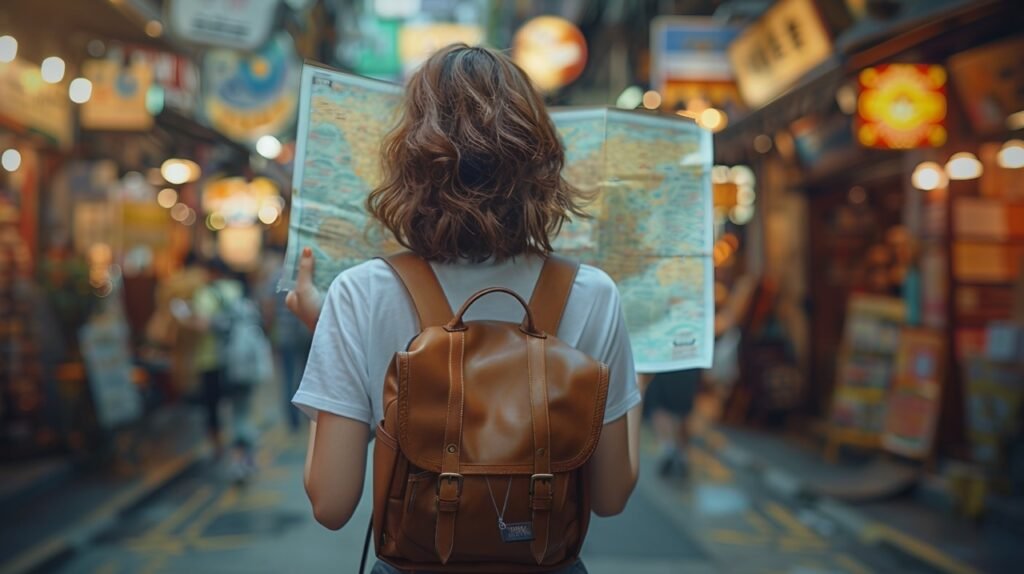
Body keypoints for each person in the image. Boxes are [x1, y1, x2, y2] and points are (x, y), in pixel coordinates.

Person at [285, 44, 643, 574]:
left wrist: (332, 342)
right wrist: (635, 382)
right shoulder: (592, 293)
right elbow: (611, 495)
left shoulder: (359, 292)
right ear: (538, 161)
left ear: (410, 162)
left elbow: (331, 504)